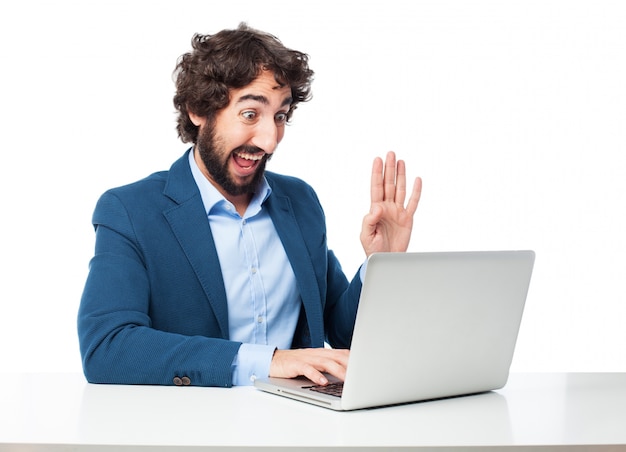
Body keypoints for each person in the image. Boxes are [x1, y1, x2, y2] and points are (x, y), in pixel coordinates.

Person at [77, 23, 422, 388]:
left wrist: (380, 265)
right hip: (191, 430)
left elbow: (341, 332)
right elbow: (107, 348)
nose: (270, 140)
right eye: (250, 115)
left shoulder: (299, 203)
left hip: (298, 426)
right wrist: (269, 361)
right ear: (198, 110)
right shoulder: (130, 210)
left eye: (280, 116)